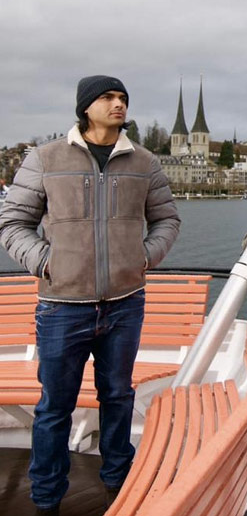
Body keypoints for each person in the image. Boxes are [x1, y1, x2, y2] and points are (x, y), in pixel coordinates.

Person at [0, 75, 181, 514]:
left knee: (118, 397)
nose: (118, 104)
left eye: (122, 98)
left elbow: (167, 220)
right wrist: (47, 263)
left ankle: (118, 484)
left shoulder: (144, 162)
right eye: (108, 97)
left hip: (124, 304)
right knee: (54, 408)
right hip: (62, 307)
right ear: (85, 107)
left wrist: (142, 258)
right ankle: (46, 497)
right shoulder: (46, 158)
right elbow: (12, 222)